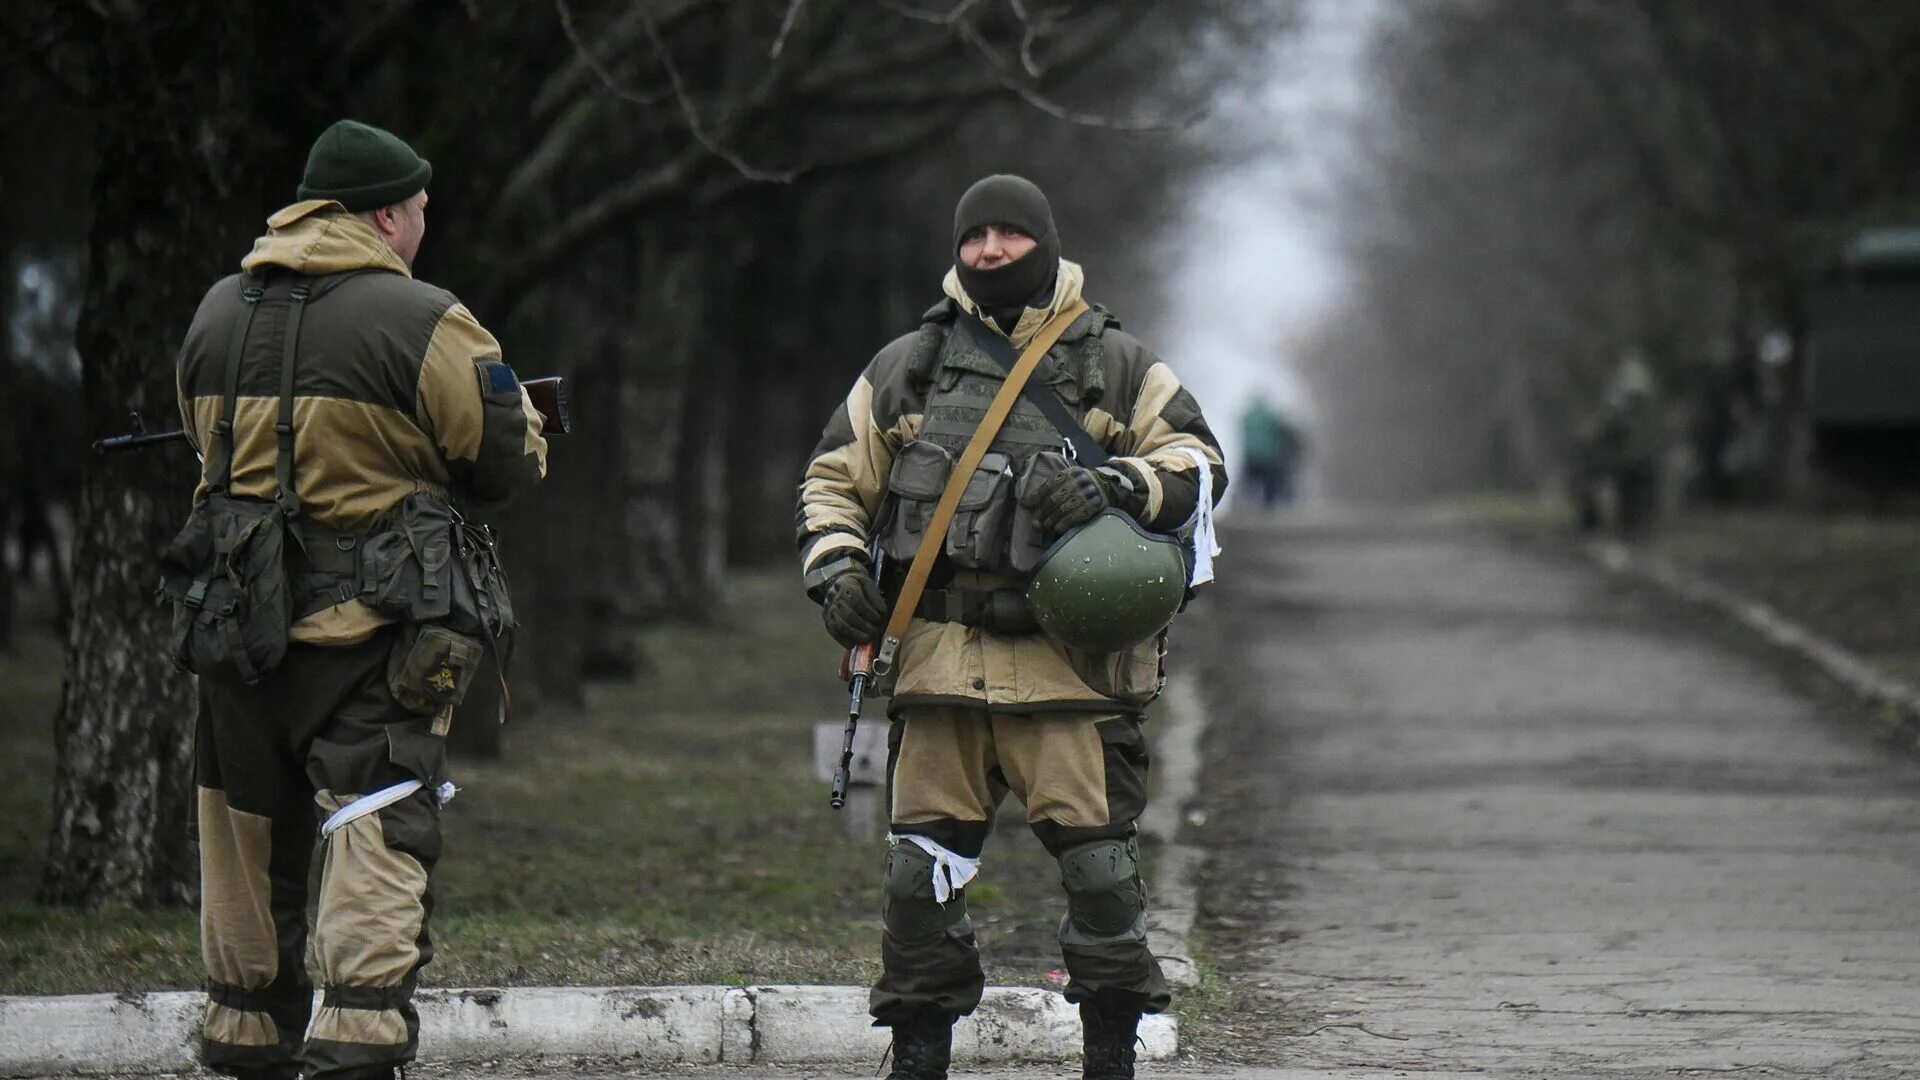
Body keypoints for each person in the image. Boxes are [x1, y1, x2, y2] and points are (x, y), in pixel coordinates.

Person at [796, 174, 1226, 1080]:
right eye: (976, 234)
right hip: (941, 669)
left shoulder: (1115, 362)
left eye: (1009, 233)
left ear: (1046, 241)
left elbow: (1196, 464)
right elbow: (834, 479)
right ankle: (919, 1060)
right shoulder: (907, 365)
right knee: (917, 885)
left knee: (1103, 883)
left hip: (1072, 673)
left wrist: (1114, 487)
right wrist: (836, 572)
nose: (990, 249)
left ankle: (1110, 1058)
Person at [174, 119, 548, 1080]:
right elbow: (504, 458)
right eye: (420, 208)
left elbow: (202, 444)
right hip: (374, 632)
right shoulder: (424, 318)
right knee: (375, 820)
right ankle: (357, 1040)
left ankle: (245, 1032)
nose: (425, 223)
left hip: (235, 629)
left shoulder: (218, 311)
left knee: (242, 832)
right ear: (385, 214)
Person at [1238, 394, 1304, 508]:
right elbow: (1284, 431)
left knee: (1249, 485)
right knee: (1270, 484)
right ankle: (1268, 507)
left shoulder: (1248, 417)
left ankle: (1246, 506)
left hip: (1250, 457)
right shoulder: (1270, 417)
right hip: (1268, 457)